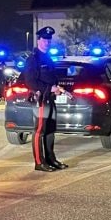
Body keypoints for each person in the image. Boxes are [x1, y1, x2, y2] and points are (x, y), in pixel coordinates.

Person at [24, 26, 68, 172]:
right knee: (40, 130)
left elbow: (51, 77)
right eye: (44, 40)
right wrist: (50, 88)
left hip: (50, 98)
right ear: (38, 40)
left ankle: (51, 159)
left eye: (49, 40)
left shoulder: (48, 58)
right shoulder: (33, 59)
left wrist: (57, 88)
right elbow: (30, 81)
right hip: (41, 99)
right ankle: (39, 162)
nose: (47, 42)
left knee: (50, 129)